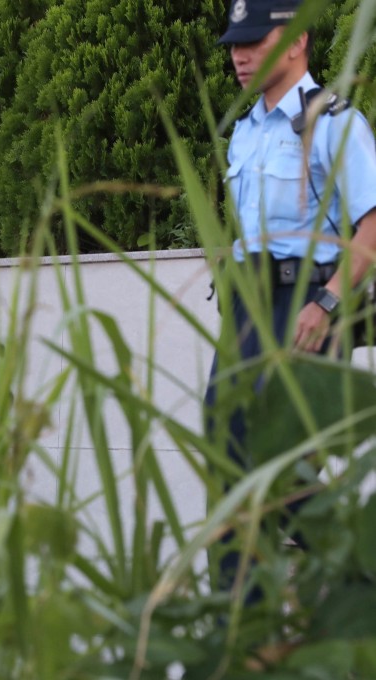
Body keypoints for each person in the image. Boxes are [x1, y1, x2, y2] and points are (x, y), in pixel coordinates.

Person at [207, 0, 376, 599]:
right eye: (234, 42)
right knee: (226, 446)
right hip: (246, 309)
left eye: (255, 39)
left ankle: (358, 576)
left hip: (306, 305)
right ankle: (238, 622)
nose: (240, 53)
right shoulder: (246, 132)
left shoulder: (332, 123)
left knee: (281, 459)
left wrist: (327, 304)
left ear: (298, 40)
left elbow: (370, 232)